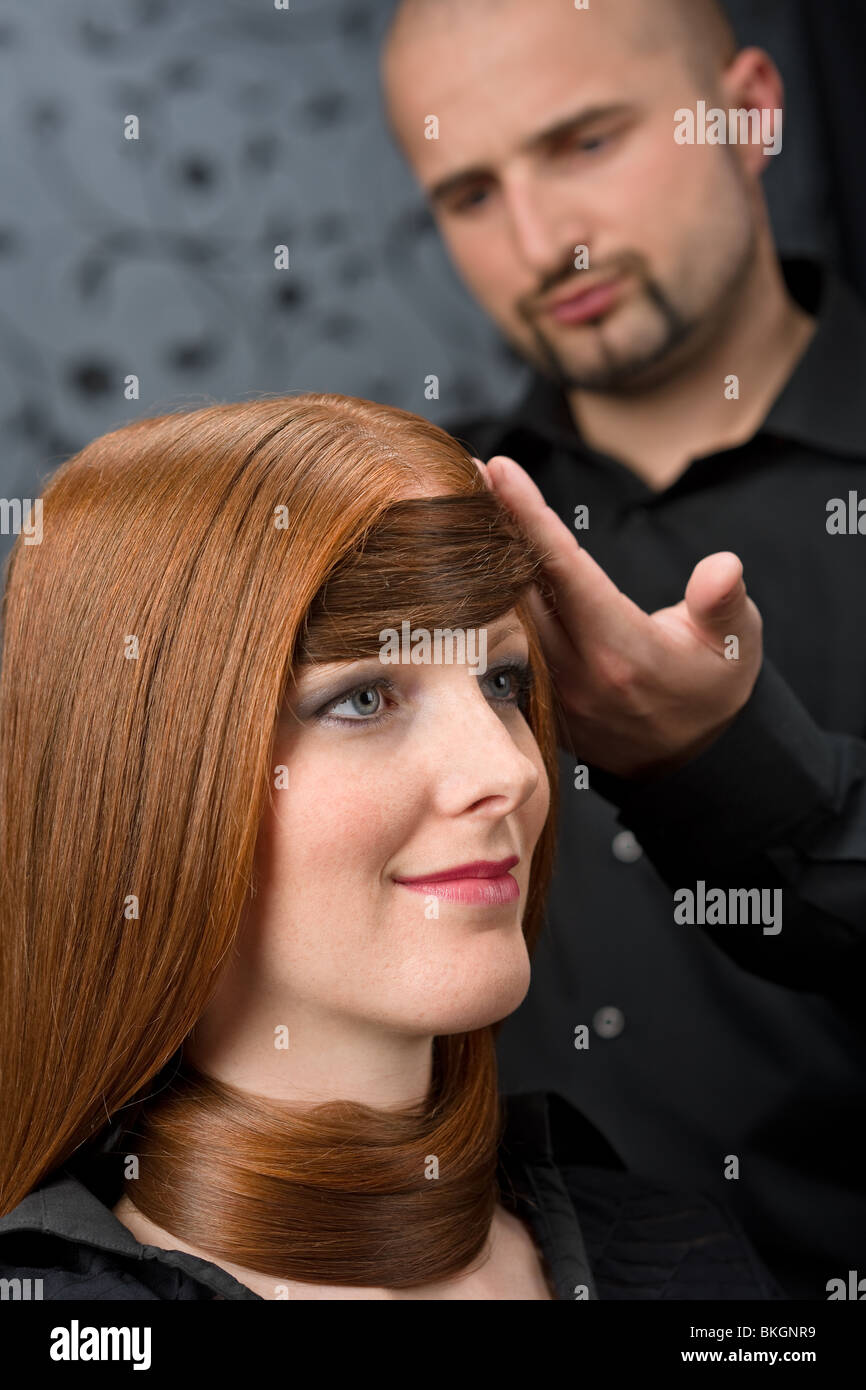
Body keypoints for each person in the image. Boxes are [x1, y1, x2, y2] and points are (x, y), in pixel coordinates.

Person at [0, 394, 781, 1300]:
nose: (511, 771)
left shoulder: (686, 1258)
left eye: (501, 682)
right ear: (143, 780)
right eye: (364, 699)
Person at [380, 0, 866, 1298]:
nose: (542, 242)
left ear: (748, 113)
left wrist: (724, 766)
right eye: (470, 193)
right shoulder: (416, 527)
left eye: (585, 142)